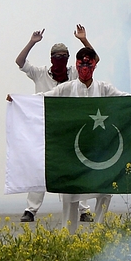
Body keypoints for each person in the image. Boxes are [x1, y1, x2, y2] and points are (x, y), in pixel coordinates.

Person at [10, 46, 131, 233]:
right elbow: (43, 99)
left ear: (94, 66)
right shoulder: (66, 88)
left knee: (105, 188)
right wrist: (18, 100)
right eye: (81, 64)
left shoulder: (104, 88)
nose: (85, 69)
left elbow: (125, 100)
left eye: (89, 64)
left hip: (100, 150)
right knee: (71, 193)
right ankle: (68, 236)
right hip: (73, 153)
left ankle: (99, 231)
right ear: (77, 66)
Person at [15, 25, 95, 223]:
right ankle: (30, 210)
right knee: (40, 167)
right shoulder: (41, 73)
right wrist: (32, 42)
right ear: (51, 58)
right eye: (57, 56)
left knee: (75, 167)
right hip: (45, 127)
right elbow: (20, 62)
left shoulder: (74, 75)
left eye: (64, 56)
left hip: (70, 128)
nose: (60, 60)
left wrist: (84, 40)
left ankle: (83, 210)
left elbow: (94, 60)